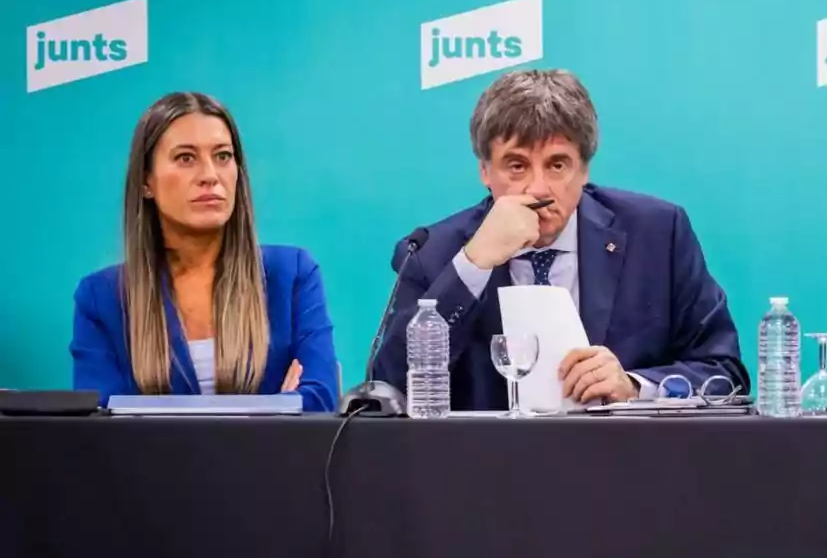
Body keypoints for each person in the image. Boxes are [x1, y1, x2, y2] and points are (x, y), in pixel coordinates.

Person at [372, 69, 748, 410]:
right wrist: (474, 264)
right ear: (484, 171)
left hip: (626, 471)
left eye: (557, 165)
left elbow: (723, 373)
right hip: (484, 472)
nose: (538, 189)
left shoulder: (658, 233)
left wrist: (636, 387)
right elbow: (389, 388)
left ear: (584, 170)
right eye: (516, 165)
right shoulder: (433, 253)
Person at [71, 92, 339, 412]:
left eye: (223, 156)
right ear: (146, 182)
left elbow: (319, 401)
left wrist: (146, 411)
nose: (210, 176)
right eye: (186, 158)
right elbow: (101, 424)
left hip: (274, 464)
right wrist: (276, 407)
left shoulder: (292, 274)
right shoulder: (102, 297)